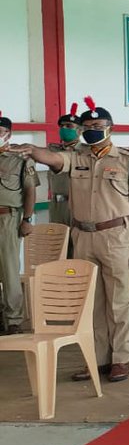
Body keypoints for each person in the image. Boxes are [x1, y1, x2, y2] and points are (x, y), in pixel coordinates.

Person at [14, 96, 129, 382]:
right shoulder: (78, 158)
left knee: (118, 301)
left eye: (97, 125)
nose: (91, 130)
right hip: (83, 235)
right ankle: (99, 359)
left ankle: (121, 358)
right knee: (94, 301)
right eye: (86, 126)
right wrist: (33, 150)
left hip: (116, 236)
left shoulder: (128, 161)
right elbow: (54, 158)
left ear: (110, 128)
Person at [0, 111, 37, 334]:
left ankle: (13, 320)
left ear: (8, 134)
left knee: (9, 269)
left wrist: (27, 219)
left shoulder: (20, 159)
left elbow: (31, 190)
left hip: (8, 217)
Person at [48, 103, 80, 228]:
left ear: (79, 130)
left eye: (69, 126)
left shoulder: (85, 152)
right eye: (62, 126)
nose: (64, 129)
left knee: (77, 243)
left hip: (77, 204)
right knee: (57, 242)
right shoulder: (53, 151)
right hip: (56, 204)